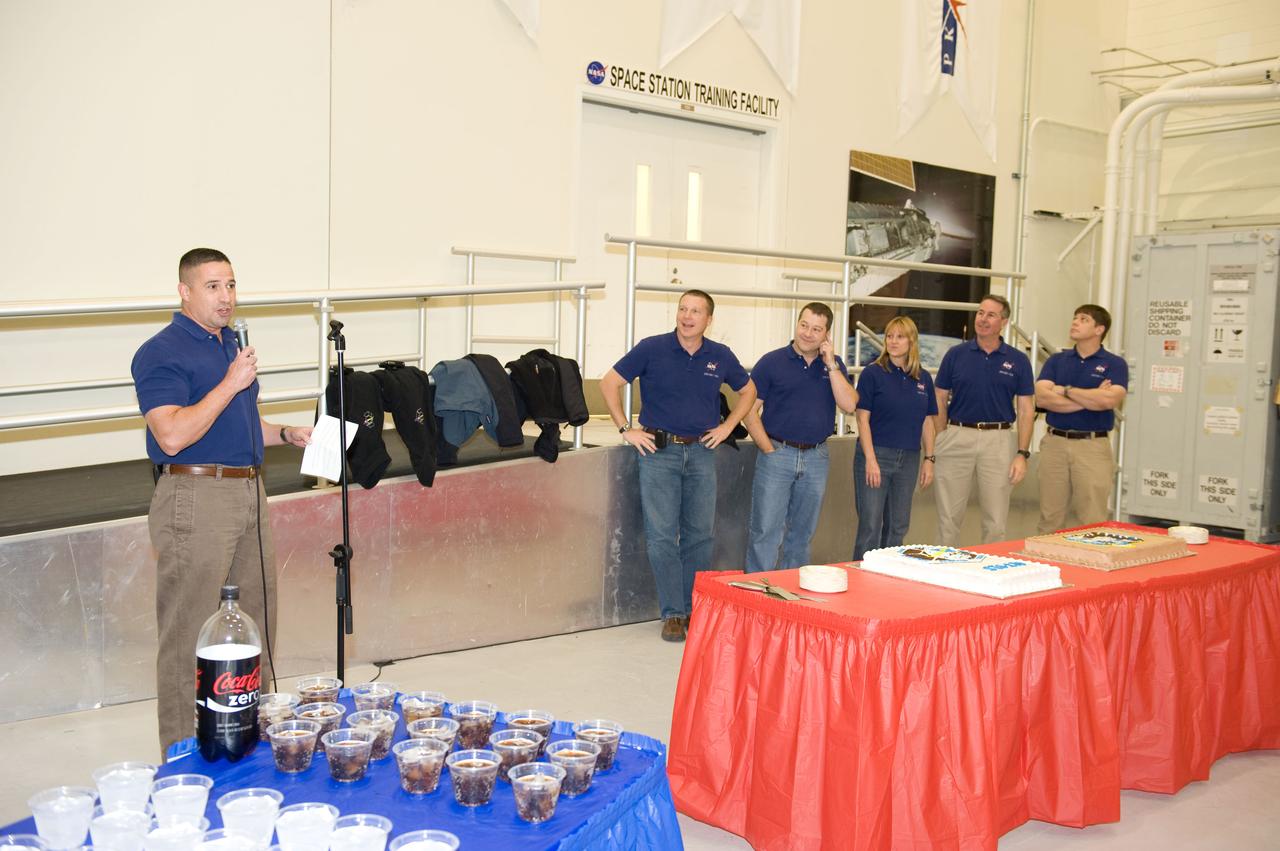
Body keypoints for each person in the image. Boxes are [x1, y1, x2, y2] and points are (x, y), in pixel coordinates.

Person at [131, 248, 312, 754]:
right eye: (212, 286)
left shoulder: (227, 344)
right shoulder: (161, 351)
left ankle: (245, 741)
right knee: (189, 630)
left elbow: (238, 424)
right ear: (184, 291)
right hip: (196, 495)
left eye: (231, 285)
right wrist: (232, 382)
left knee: (255, 619)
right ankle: (182, 754)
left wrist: (285, 432)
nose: (226, 297)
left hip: (247, 490)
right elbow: (171, 435)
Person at [600, 290, 757, 642]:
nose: (688, 316)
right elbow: (609, 383)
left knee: (700, 536)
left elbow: (748, 391)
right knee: (661, 537)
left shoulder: (720, 355)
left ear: (709, 319)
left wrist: (728, 426)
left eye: (696, 311)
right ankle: (672, 613)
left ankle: (693, 609)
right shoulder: (652, 348)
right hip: (658, 452)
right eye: (683, 309)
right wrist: (626, 429)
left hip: (702, 453)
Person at [741, 302, 857, 572]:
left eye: (816, 329)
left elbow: (850, 405)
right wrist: (767, 448)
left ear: (827, 334)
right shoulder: (772, 362)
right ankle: (759, 600)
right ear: (797, 324)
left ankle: (790, 599)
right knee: (765, 533)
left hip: (817, 457)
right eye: (804, 325)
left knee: (802, 535)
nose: (807, 333)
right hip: (777, 454)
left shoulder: (834, 366)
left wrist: (831, 364)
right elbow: (748, 410)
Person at [932, 294, 1034, 545]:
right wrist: (942, 434)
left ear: (1004, 322)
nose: (983, 319)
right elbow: (939, 397)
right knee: (948, 519)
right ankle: (944, 573)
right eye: (980, 313)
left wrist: (1022, 453)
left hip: (998, 441)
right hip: (956, 436)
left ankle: (990, 574)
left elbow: (1025, 409)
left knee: (996, 521)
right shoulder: (956, 355)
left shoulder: (1018, 360)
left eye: (991, 315)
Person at [1033, 304, 1128, 532]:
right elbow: (1041, 398)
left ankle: (1090, 565)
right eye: (1075, 318)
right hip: (1054, 444)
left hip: (1092, 447)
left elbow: (1108, 401)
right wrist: (1091, 396)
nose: (1075, 322)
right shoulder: (1057, 360)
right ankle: (1049, 564)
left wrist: (1064, 390)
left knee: (1092, 518)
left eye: (1083, 319)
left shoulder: (1115, 364)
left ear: (1099, 329)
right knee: (1050, 517)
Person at [853, 316, 938, 559]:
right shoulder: (873, 374)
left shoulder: (923, 378)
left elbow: (928, 421)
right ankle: (862, 580)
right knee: (870, 526)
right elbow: (862, 419)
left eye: (899, 336)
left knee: (898, 526)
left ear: (912, 341)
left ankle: (889, 580)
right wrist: (870, 459)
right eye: (889, 336)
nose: (892, 341)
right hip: (876, 454)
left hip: (909, 458)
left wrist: (929, 459)